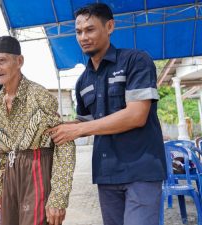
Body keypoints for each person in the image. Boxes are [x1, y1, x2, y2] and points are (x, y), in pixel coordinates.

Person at [47, 3, 166, 225]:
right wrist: (54, 128)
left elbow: (136, 115)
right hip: (107, 173)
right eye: (78, 31)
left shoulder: (136, 61)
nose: (83, 37)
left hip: (141, 169)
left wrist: (78, 128)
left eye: (90, 29)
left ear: (109, 26)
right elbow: (86, 121)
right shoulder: (83, 81)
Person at [0, 36, 76, 225]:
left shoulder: (39, 95)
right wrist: (0, 185)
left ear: (19, 61)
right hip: (12, 174)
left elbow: (65, 143)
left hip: (36, 166)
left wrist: (58, 197)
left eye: (2, 61)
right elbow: (3, 152)